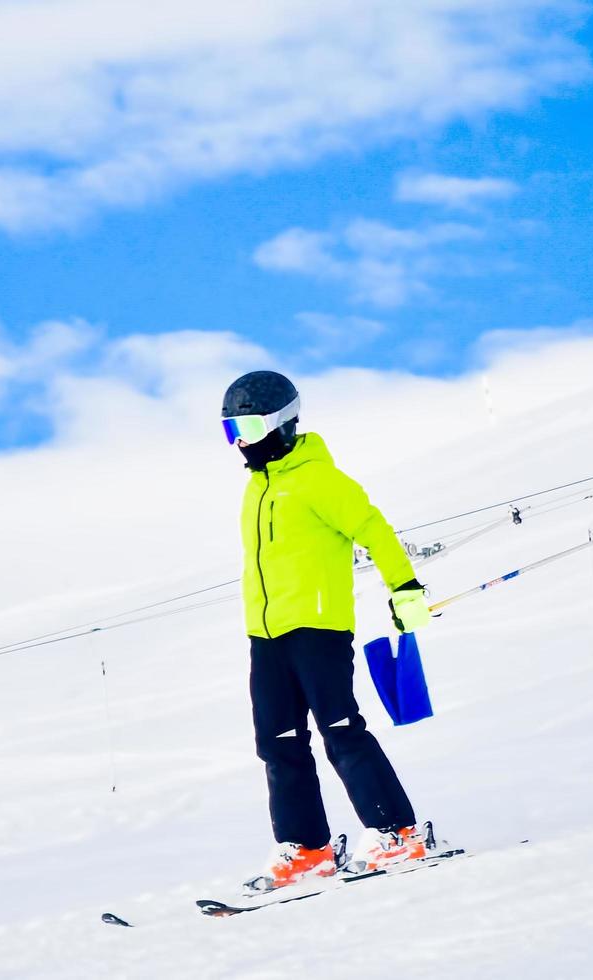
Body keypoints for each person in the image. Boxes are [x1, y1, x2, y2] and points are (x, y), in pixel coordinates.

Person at [221, 370, 433, 894]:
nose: (241, 441)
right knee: (277, 743)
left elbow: (373, 527)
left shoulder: (320, 479)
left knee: (341, 732)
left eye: (246, 426)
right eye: (230, 431)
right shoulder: (256, 490)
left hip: (318, 628)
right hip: (266, 636)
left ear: (280, 423)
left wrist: (404, 587)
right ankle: (307, 848)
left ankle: (397, 831)